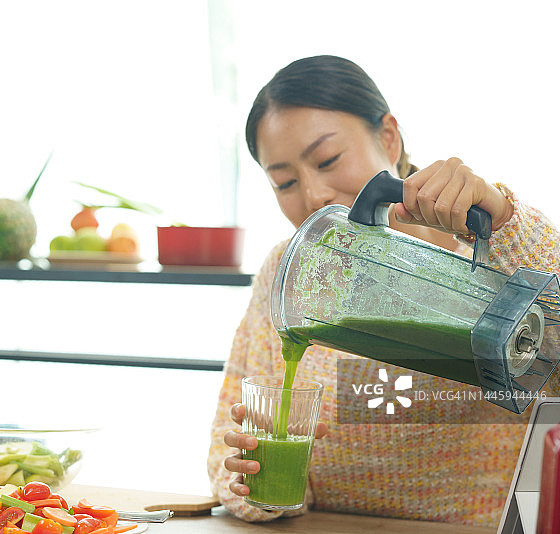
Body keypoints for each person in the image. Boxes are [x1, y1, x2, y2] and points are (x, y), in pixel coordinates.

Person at [207, 55, 560, 527]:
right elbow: (226, 446)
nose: (312, 195)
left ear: (389, 137)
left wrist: (504, 220)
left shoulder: (498, 253)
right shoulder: (288, 269)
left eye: (328, 160)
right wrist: (254, 485)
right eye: (285, 182)